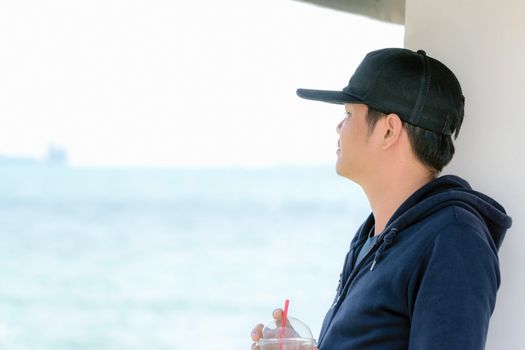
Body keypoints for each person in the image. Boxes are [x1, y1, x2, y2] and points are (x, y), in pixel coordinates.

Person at [250, 48, 512, 350]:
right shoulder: (374, 236)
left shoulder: (454, 239)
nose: (339, 126)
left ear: (388, 130)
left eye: (348, 114)